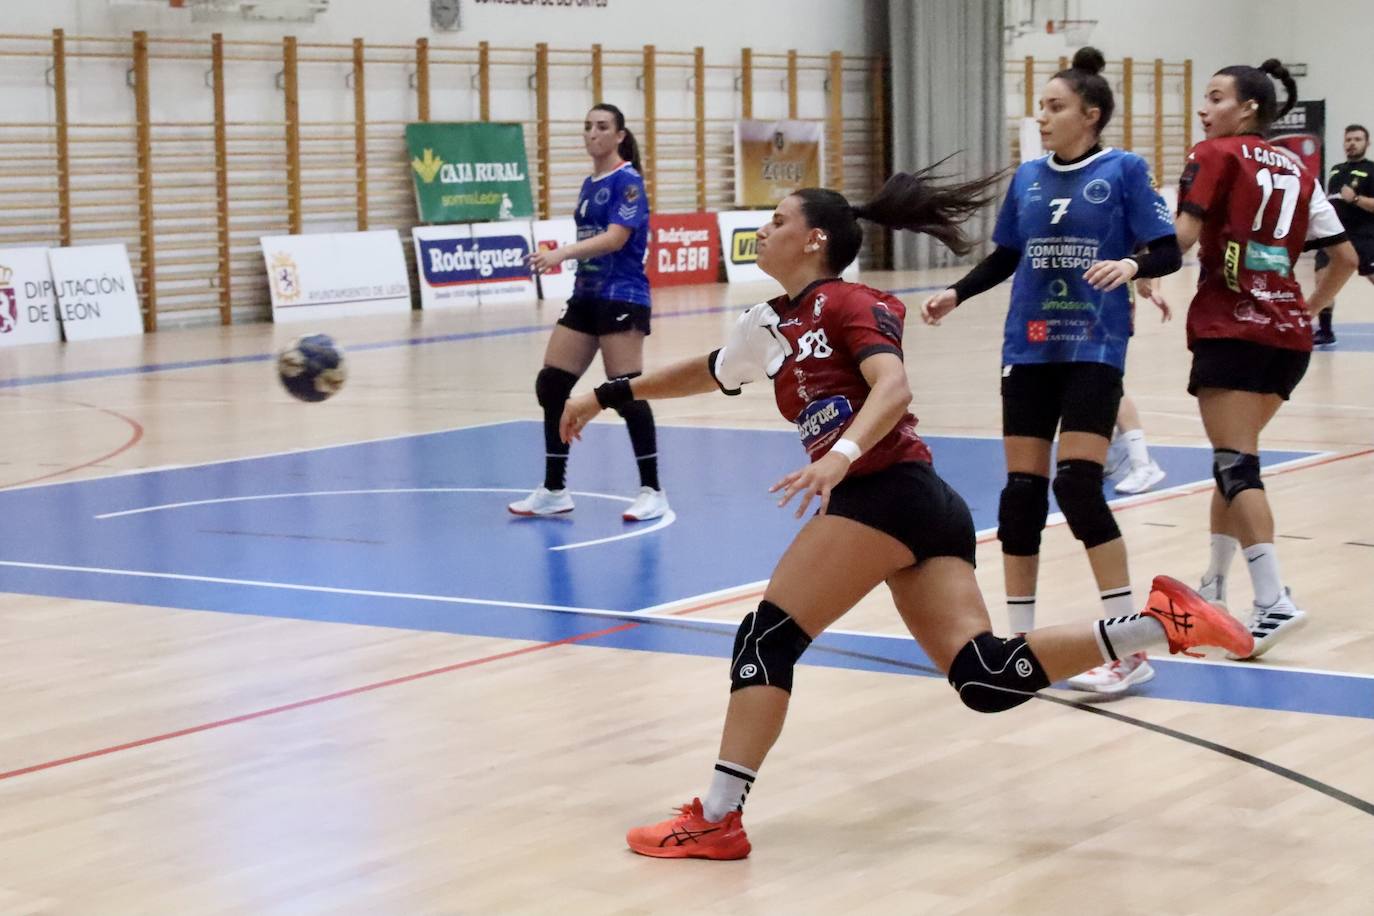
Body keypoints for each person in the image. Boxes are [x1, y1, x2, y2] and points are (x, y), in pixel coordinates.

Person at [558, 173, 1252, 860]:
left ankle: (716, 818)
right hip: (919, 507)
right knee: (985, 677)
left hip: (885, 489)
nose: (765, 229)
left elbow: (893, 384)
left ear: (814, 239)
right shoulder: (768, 324)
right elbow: (709, 370)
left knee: (764, 640)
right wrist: (612, 391)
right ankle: (1161, 623)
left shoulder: (850, 303)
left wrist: (840, 457)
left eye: (777, 219)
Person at [921, 48, 1183, 694]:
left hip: (1093, 346)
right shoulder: (1030, 178)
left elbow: (1170, 249)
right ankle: (1019, 644)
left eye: (1055, 106)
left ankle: (1128, 646)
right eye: (1040, 106)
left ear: (1090, 115)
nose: (1042, 117)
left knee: (1079, 486)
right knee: (1020, 497)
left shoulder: (1123, 170)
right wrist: (956, 293)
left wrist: (1132, 268)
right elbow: (1008, 255)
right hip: (1028, 348)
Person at [1175, 59, 1359, 658]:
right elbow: (1347, 259)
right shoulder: (1302, 171)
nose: (1205, 109)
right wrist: (1307, 309)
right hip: (1286, 339)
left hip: (1232, 328)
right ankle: (1213, 585)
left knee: (1235, 466)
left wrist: (1128, 259)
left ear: (1248, 107)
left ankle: (1273, 597)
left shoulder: (1214, 156)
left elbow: (1179, 240)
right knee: (1236, 463)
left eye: (1215, 97)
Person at [509, 103, 668, 522]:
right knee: (551, 384)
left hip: (622, 294)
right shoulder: (589, 182)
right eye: (587, 127)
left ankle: (653, 490)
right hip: (586, 295)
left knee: (626, 390)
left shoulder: (628, 181)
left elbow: (616, 239)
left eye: (602, 127)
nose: (592, 133)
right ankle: (554, 489)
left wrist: (561, 253)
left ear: (619, 136)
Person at [1107, 279, 1172, 495]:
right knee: (1080, 375)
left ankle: (1142, 464)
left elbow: (1152, 246)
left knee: (1107, 379)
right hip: (1073, 298)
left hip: (1108, 299)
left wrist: (1150, 280)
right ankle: (1105, 452)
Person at [1311, 124, 1374, 345]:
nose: (1352, 143)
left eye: (1357, 139)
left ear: (1367, 143)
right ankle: (1325, 332)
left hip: (1365, 235)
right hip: (1334, 234)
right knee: (1322, 279)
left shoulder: (1371, 170)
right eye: (1348, 139)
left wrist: (1356, 199)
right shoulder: (1336, 170)